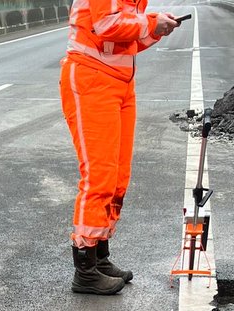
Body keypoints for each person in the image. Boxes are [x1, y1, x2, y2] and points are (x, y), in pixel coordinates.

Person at [60, 0, 183, 295]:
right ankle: (85, 270)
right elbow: (106, 26)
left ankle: (100, 258)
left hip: (120, 84)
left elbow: (123, 42)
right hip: (92, 79)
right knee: (99, 175)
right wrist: (153, 23)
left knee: (117, 177)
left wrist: (157, 30)